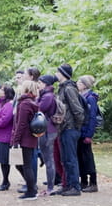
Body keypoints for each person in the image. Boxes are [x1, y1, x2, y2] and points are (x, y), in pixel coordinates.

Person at [54, 63, 85, 196]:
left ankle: (75, 186)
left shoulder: (69, 89)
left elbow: (77, 110)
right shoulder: (62, 88)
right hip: (63, 128)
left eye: (58, 71)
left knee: (70, 158)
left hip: (70, 128)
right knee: (65, 158)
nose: (56, 74)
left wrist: (76, 126)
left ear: (63, 73)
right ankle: (67, 185)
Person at [10, 80, 40, 200]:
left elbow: (21, 124)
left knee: (25, 165)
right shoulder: (31, 102)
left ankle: (31, 190)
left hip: (25, 138)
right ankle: (31, 187)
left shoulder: (25, 104)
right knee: (21, 164)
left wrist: (15, 140)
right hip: (30, 138)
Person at [36, 74, 59, 196]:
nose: (38, 85)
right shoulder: (46, 95)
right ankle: (51, 185)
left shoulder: (48, 96)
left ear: (45, 84)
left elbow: (38, 108)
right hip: (46, 129)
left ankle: (51, 187)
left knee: (49, 159)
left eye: (39, 83)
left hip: (48, 130)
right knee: (47, 158)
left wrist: (37, 98)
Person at [77, 75, 100, 192]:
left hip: (85, 132)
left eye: (79, 82)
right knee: (81, 157)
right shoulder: (81, 96)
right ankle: (84, 181)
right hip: (80, 131)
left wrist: (88, 135)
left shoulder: (90, 98)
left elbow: (92, 117)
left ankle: (93, 182)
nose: (77, 84)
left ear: (84, 85)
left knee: (87, 157)